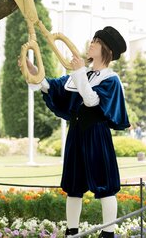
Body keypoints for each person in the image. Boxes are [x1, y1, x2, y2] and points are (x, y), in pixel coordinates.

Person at [21, 26, 130, 238]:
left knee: (105, 185)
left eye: (97, 41)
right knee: (73, 185)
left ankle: (108, 234)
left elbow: (91, 101)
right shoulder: (81, 73)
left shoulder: (111, 79)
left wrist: (79, 71)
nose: (91, 42)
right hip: (76, 134)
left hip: (97, 135)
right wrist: (33, 71)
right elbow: (53, 87)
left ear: (106, 49)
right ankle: (72, 232)